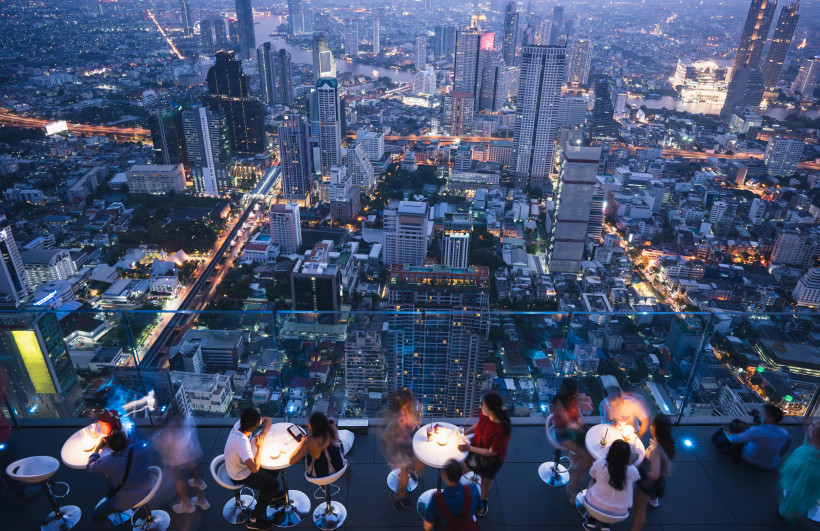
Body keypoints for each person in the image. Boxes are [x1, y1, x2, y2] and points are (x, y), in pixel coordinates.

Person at [225, 407, 283, 530]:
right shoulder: (242, 443)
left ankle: (269, 496)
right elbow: (254, 469)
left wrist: (262, 434)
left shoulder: (240, 424)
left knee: (274, 466)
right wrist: (260, 447)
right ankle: (253, 520)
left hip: (239, 463)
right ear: (254, 426)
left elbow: (268, 419)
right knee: (273, 485)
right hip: (239, 473)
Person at [87, 429, 154, 531]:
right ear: (127, 440)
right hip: (147, 486)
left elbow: (90, 467)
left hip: (126, 500)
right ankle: (143, 512)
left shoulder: (108, 462)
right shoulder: (141, 447)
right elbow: (141, 442)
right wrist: (127, 440)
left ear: (109, 446)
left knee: (96, 517)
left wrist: (97, 449)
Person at [458, 392, 511, 517]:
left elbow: (492, 452)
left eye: (483, 405)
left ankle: (482, 501)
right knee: (464, 467)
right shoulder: (485, 413)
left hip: (491, 459)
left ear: (491, 408)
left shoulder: (501, 430)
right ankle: (456, 491)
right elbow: (478, 424)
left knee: (486, 480)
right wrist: (465, 433)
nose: (481, 406)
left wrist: (469, 448)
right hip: (477, 447)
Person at [379, 389, 425, 513]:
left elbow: (412, 424)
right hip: (396, 448)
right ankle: (398, 495)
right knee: (404, 476)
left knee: (419, 465)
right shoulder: (399, 418)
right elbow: (390, 437)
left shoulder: (405, 412)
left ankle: (412, 470)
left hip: (406, 442)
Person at [0, 367, 40, 505]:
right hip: (2, 437)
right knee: (10, 463)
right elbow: (3, 381)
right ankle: (19, 495)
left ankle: (4, 489)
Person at [152, 416, 209, 514]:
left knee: (178, 480)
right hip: (192, 458)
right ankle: (202, 502)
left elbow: (156, 444)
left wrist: (157, 432)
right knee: (196, 479)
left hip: (176, 461)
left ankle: (187, 505)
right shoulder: (187, 423)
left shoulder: (166, 436)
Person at [631, 415, 675, 531]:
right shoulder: (667, 442)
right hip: (657, 480)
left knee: (639, 510)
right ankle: (654, 499)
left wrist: (637, 473)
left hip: (646, 481)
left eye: (652, 425)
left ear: (655, 429)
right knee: (646, 501)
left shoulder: (656, 450)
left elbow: (654, 474)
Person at [584, 440, 641, 530]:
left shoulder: (600, 464)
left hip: (594, 506)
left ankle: (592, 518)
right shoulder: (632, 471)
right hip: (618, 514)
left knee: (592, 480)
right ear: (627, 457)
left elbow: (592, 474)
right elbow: (636, 478)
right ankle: (606, 523)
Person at [551, 378, 592, 501]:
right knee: (587, 457)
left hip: (574, 431)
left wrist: (580, 423)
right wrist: (581, 428)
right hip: (563, 434)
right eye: (575, 392)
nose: (577, 394)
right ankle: (573, 485)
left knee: (589, 454)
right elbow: (567, 424)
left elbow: (576, 415)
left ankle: (575, 458)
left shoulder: (572, 399)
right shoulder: (560, 403)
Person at [723, 403, 790, 470]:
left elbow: (735, 440)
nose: (760, 415)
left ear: (770, 418)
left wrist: (728, 432)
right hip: (769, 465)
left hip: (749, 459)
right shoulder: (784, 433)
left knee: (741, 432)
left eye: (763, 413)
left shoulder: (756, 431)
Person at [778, 416, 820, 523]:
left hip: (804, 472)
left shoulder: (810, 464)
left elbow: (797, 491)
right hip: (804, 467)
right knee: (800, 494)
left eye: (812, 428)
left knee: (797, 494)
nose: (809, 428)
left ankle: (786, 512)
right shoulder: (814, 444)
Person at [421, 459, 480, 531]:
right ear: (462, 473)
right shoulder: (472, 490)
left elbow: (427, 527)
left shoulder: (437, 499)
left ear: (443, 475)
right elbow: (480, 510)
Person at [289, 412, 347, 479]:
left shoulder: (309, 441)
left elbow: (292, 461)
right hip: (339, 467)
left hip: (319, 475)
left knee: (307, 452)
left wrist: (303, 443)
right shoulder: (332, 428)